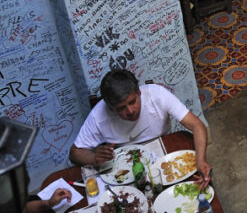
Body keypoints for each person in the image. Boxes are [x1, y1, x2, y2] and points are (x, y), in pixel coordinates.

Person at [69, 69, 211, 186]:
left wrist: (201, 160)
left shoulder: (157, 94)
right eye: (121, 108)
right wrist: (94, 157)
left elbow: (197, 125)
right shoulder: (98, 116)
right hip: (126, 166)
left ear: (139, 92)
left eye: (132, 102)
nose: (130, 111)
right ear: (110, 107)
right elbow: (74, 153)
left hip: (163, 150)